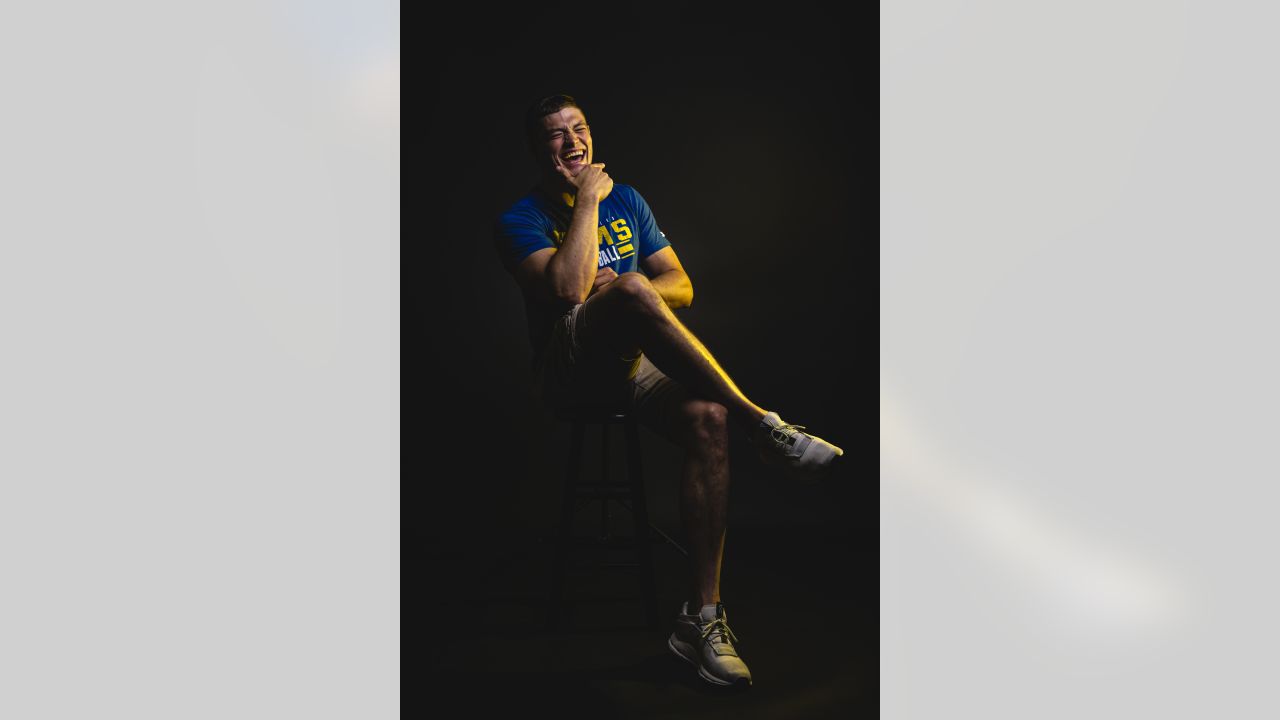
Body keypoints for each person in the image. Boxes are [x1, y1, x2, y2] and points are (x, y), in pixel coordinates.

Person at [492, 94, 843, 688]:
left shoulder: (628, 200)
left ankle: (701, 619)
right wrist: (588, 213)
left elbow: (681, 284)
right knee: (628, 290)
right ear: (537, 149)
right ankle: (764, 424)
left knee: (707, 416)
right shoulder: (519, 218)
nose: (572, 141)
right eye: (556, 135)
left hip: (631, 365)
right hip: (568, 374)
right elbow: (568, 294)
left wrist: (632, 289)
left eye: (579, 128)